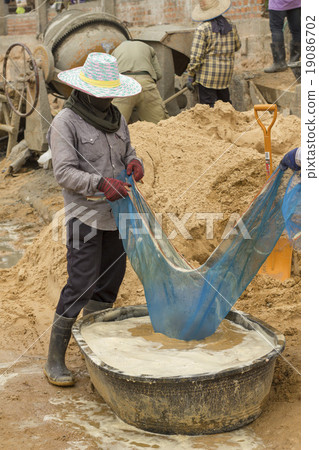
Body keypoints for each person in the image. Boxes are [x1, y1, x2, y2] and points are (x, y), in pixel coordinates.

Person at [44, 52, 144, 387]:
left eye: (112, 93)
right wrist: (100, 183)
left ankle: (94, 348)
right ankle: (55, 359)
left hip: (118, 216)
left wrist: (134, 163)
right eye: (102, 94)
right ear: (86, 90)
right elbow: (63, 173)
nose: (109, 99)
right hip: (85, 215)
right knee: (81, 283)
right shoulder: (65, 123)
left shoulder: (117, 118)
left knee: (109, 282)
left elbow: (127, 150)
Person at [186, 0, 241, 108]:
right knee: (225, 105)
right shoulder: (230, 25)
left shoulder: (202, 29)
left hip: (208, 78)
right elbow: (237, 46)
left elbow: (196, 58)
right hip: (225, 75)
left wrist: (190, 76)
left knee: (208, 109)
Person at [111, 40, 169, 124]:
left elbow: (111, 77)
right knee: (159, 125)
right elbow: (158, 74)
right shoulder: (148, 48)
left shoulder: (115, 51)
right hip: (145, 84)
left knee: (115, 125)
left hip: (124, 85)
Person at [264, 0, 301, 73]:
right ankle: (295, 61)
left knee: (276, 29)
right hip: (295, 2)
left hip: (278, 3)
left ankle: (279, 62)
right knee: (296, 30)